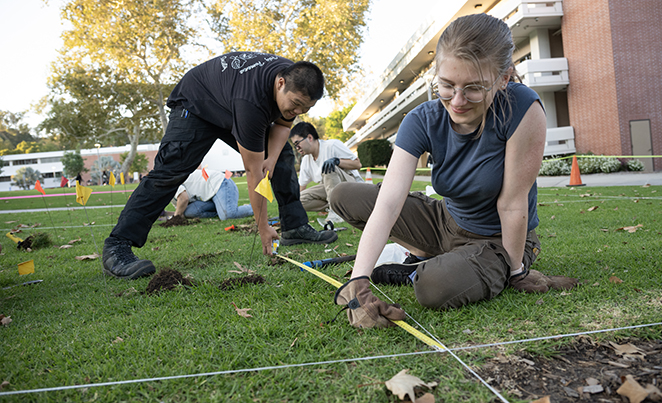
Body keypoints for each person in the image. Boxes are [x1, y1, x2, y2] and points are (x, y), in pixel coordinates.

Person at [330, 14, 577, 329]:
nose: (457, 101)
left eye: (474, 89)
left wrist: (517, 272)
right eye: (446, 85)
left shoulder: (522, 109)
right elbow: (389, 202)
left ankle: (426, 270)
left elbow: (513, 203)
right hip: (445, 222)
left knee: (433, 288)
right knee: (344, 195)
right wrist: (358, 282)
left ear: (504, 78)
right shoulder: (422, 119)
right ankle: (424, 256)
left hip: (499, 239)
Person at [102, 52, 337, 280]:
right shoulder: (251, 103)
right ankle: (117, 246)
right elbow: (254, 173)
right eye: (295, 104)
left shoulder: (294, 80)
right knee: (171, 172)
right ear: (280, 83)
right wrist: (263, 226)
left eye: (304, 109)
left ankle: (294, 227)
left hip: (228, 101)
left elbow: (284, 126)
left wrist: (272, 158)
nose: (297, 112)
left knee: (283, 154)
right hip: (196, 105)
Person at [289, 122, 363, 223]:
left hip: (351, 187)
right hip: (330, 189)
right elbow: (301, 188)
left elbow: (357, 164)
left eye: (297, 143)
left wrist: (337, 161)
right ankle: (343, 209)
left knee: (328, 168)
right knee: (299, 200)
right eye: (295, 145)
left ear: (309, 138)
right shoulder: (306, 160)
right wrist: (290, 210)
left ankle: (336, 212)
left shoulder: (332, 145)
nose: (297, 148)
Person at [172, 169, 253, 220]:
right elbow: (180, 208)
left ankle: (252, 208)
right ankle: (221, 209)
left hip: (220, 184)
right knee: (189, 212)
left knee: (228, 215)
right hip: (209, 196)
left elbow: (183, 199)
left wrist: (175, 218)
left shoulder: (168, 183)